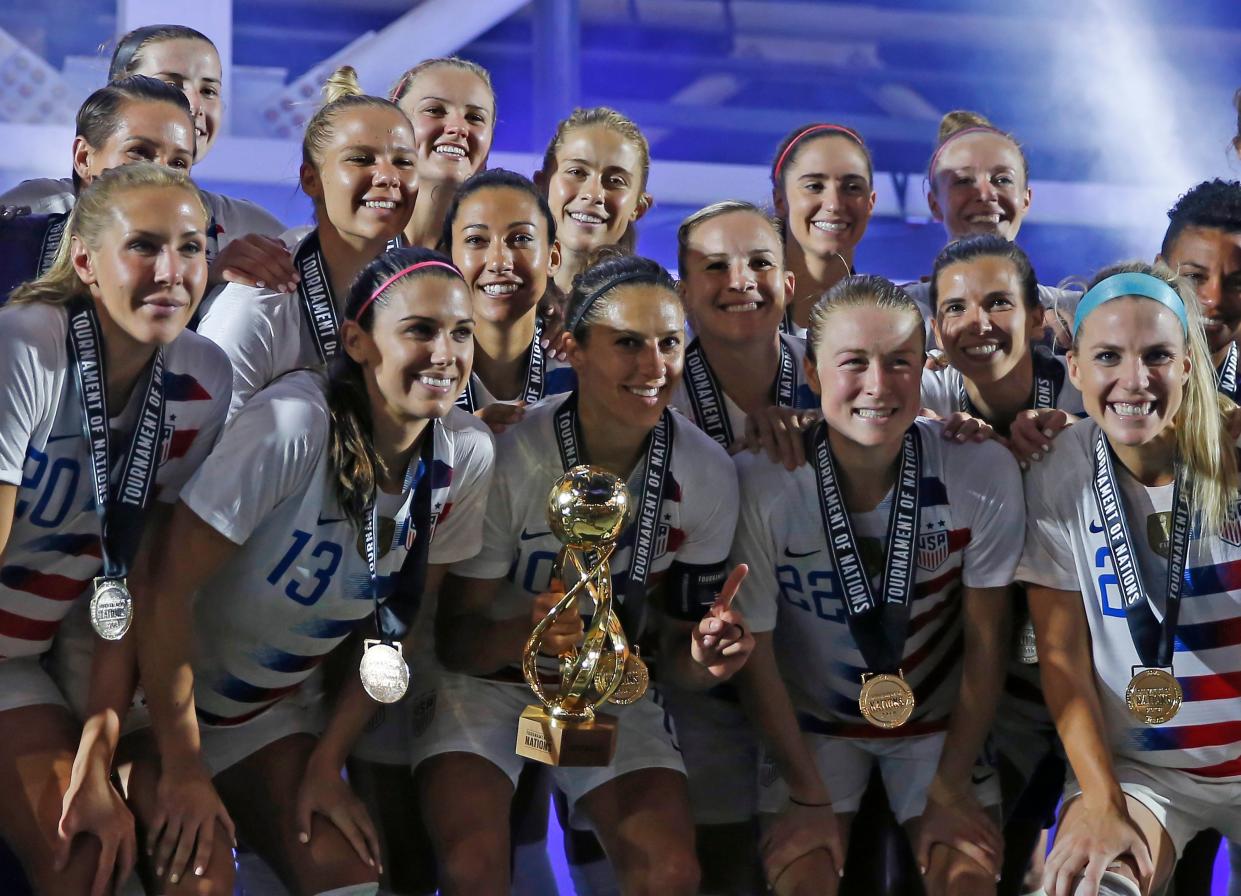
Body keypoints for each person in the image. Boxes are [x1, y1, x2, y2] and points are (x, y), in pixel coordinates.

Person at [128, 247, 494, 896]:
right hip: (143, 704)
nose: (446, 353)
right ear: (356, 340)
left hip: (257, 717)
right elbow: (163, 589)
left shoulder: (465, 454)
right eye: (420, 330)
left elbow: (397, 630)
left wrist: (328, 761)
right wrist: (182, 767)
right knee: (199, 881)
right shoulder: (295, 422)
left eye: (461, 332)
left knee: (351, 880)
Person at [411, 252, 754, 896]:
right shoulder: (512, 456)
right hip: (486, 680)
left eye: (669, 344)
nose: (654, 368)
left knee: (671, 871)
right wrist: (529, 636)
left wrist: (704, 658)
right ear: (575, 349)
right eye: (628, 343)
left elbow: (677, 661)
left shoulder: (705, 473)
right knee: (472, 867)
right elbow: (456, 640)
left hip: (602, 686)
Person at [731, 274, 1024, 896]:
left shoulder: (977, 466)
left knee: (968, 881)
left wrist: (948, 787)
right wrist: (806, 793)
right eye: (853, 363)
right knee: (801, 879)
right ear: (811, 373)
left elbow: (987, 644)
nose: (877, 385)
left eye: (899, 363)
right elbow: (755, 659)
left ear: (926, 369)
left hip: (942, 728)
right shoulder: (763, 479)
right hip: (811, 729)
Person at [0, 162, 232, 895]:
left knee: (200, 869)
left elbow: (134, 581)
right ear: (84, 263)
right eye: (145, 246)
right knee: (79, 865)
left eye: (192, 248)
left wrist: (102, 749)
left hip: (66, 643)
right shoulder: (24, 347)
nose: (172, 272)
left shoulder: (203, 377)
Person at [1020, 261, 1241, 896]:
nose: (1134, 381)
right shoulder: (1056, 472)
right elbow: (1060, 656)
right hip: (1144, 771)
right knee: (1084, 887)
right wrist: (1101, 798)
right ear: (1077, 369)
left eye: (1158, 356)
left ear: (1191, 366)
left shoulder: (1235, 454)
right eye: (1110, 356)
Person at [921, 234, 1087, 894]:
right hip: (992, 692)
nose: (977, 323)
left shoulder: (1085, 389)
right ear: (936, 326)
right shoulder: (927, 393)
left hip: (1096, 685)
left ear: (1037, 319)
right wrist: (939, 434)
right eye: (955, 308)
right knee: (993, 865)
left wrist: (1086, 439)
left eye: (997, 303)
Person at [1, 24, 292, 295]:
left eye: (209, 90)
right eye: (171, 86)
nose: (192, 106)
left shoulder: (252, 229)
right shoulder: (31, 213)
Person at [196, 65, 417, 415]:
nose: (389, 176)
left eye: (404, 161)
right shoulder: (254, 307)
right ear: (311, 179)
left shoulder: (434, 292)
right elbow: (209, 454)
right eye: (361, 159)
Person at [0, 76, 195, 302]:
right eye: (140, 152)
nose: (161, 175)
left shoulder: (197, 280)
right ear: (83, 158)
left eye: (178, 164)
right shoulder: (11, 246)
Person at [910, 111, 1078, 346]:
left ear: (1026, 199)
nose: (986, 194)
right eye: (964, 181)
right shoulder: (897, 313)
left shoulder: (1077, 313)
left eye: (1002, 180)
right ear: (934, 204)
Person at [768, 124, 876, 336]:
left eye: (852, 187)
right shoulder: (739, 311)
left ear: (870, 203)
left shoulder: (889, 321)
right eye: (814, 186)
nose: (834, 204)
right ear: (780, 200)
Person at [536, 108, 653, 297]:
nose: (593, 194)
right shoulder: (497, 295)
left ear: (638, 208)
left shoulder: (650, 313)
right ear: (542, 185)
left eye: (616, 181)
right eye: (576, 172)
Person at [389, 57, 496, 250]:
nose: (458, 128)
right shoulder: (340, 248)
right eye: (434, 110)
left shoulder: (498, 264)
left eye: (475, 117)